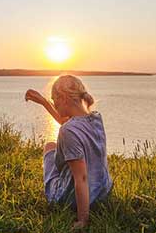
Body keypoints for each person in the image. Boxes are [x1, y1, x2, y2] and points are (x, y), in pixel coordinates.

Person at [25, 75, 113, 230]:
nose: (54, 103)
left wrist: (82, 220)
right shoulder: (96, 118)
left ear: (64, 98)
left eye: (54, 99)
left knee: (49, 149)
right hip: (102, 191)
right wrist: (44, 102)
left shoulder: (68, 131)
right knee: (52, 145)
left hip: (70, 198)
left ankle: (63, 191)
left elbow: (82, 178)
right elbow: (67, 121)